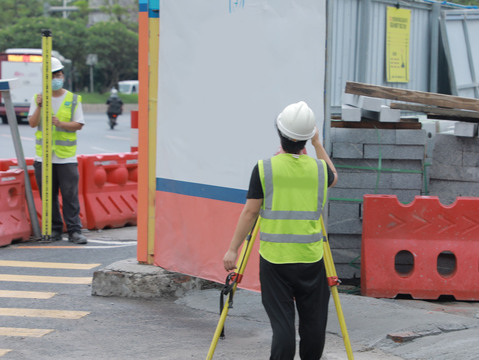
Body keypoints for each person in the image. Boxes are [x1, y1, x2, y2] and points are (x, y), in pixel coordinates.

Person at [223, 101, 338, 360]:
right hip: (312, 259)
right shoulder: (319, 170)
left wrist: (233, 249)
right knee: (314, 324)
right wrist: (318, 145)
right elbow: (334, 175)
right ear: (308, 138)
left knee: (283, 326)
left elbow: (251, 212)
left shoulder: (265, 169)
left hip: (275, 261)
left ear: (280, 132)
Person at [28, 57, 88, 245]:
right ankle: (54, 229)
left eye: (59, 75)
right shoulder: (38, 98)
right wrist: (39, 106)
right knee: (48, 195)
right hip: (43, 157)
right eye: (53, 75)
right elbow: (32, 123)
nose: (57, 78)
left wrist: (60, 123)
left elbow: (78, 124)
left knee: (69, 195)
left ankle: (74, 230)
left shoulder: (73, 99)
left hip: (66, 158)